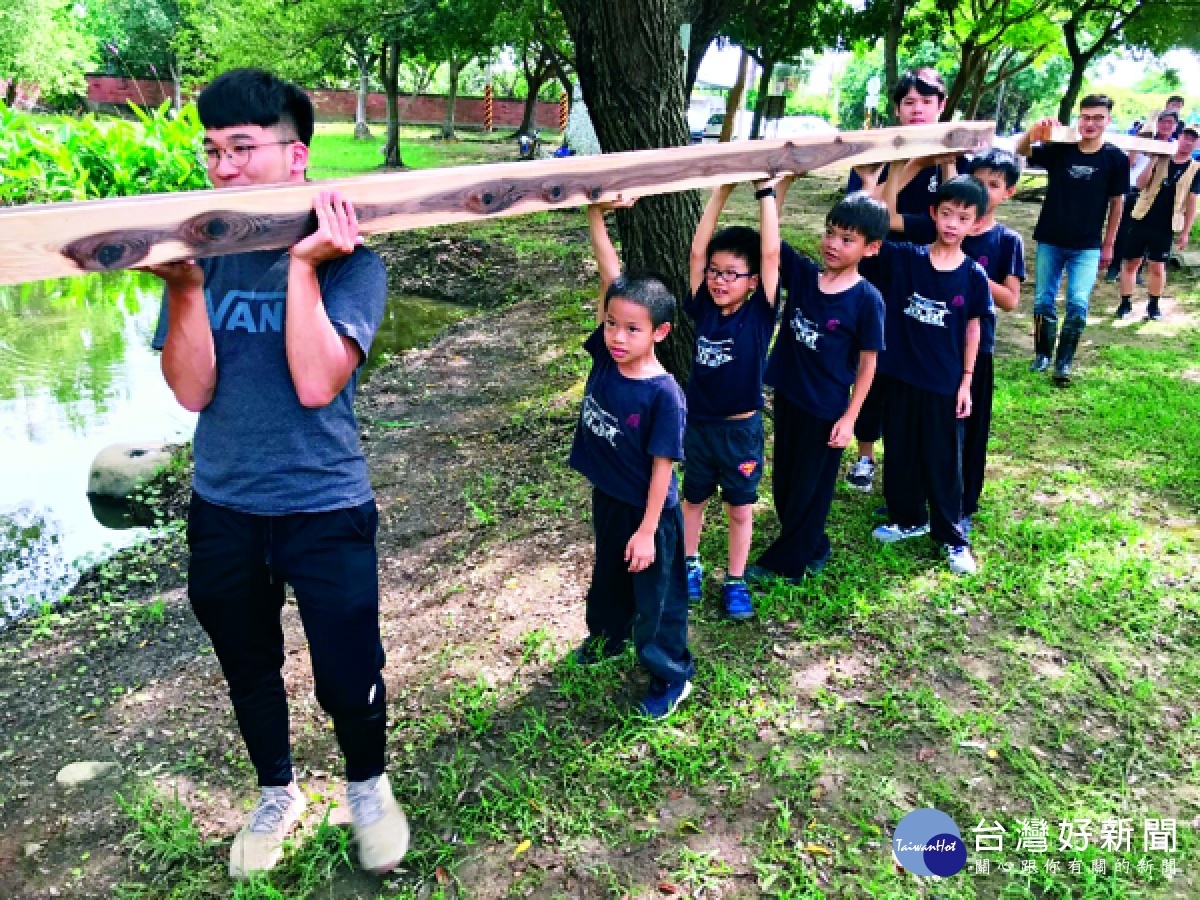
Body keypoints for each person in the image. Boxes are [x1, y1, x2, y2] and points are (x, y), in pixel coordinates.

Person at [147, 69, 407, 878]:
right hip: (224, 503)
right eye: (213, 151)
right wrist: (187, 288)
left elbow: (314, 383)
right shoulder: (201, 252)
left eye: (242, 149)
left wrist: (301, 268)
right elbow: (193, 390)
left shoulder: (352, 261)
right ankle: (277, 791)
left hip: (324, 502)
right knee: (248, 663)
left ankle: (368, 788)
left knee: (347, 666)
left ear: (296, 158)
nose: (222, 169)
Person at [574, 200, 695, 720]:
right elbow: (611, 276)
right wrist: (596, 215)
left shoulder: (664, 395)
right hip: (611, 498)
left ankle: (671, 672)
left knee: (657, 597)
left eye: (632, 329)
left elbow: (664, 470)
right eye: (611, 325)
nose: (618, 337)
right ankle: (607, 636)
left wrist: (647, 532)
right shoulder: (606, 352)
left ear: (660, 333)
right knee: (608, 576)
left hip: (651, 514)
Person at [747, 190, 887, 585]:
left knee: (812, 489)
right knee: (786, 485)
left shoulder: (867, 300)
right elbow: (770, 249)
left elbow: (868, 362)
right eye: (830, 233)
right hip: (789, 396)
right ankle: (814, 546)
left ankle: (787, 563)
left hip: (826, 410)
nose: (833, 244)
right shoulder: (807, 278)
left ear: (870, 248)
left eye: (847, 239)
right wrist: (772, 190)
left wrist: (850, 418)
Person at [885, 150, 1026, 533]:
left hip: (967, 356)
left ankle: (957, 509)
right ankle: (908, 509)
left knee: (958, 436)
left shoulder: (1001, 244)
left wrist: (970, 274)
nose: (954, 222)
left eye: (991, 185)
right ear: (935, 212)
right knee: (909, 434)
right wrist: (906, 163)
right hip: (917, 359)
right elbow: (885, 219)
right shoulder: (919, 246)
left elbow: (1007, 303)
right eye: (977, 180)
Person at [866, 176, 992, 576]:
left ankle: (953, 538)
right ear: (934, 214)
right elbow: (877, 223)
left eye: (964, 217)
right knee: (901, 451)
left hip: (944, 383)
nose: (953, 223)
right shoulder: (906, 258)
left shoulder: (973, 275)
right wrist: (885, 175)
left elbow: (974, 327)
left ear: (976, 224)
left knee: (944, 460)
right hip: (902, 376)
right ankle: (907, 519)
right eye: (948, 213)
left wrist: (967, 380)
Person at [842, 67, 960, 494]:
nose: (917, 109)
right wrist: (908, 164)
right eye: (909, 102)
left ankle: (906, 459)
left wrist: (942, 162)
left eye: (926, 101)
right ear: (897, 108)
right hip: (876, 269)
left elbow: (957, 207)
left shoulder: (952, 153)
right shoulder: (877, 150)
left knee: (913, 367)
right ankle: (865, 456)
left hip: (926, 277)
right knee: (872, 359)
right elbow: (869, 213)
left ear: (941, 107)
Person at [680, 180, 781, 620]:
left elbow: (772, 254)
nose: (720, 280)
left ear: (753, 282)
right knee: (693, 500)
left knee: (740, 509)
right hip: (697, 426)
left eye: (732, 274)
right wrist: (720, 192)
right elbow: (697, 253)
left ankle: (736, 579)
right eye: (715, 272)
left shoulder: (760, 314)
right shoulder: (703, 305)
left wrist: (766, 196)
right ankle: (689, 565)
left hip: (740, 430)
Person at [1017, 95, 1129, 385]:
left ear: (1108, 120)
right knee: (1043, 299)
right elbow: (1022, 151)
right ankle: (1042, 355)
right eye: (1086, 116)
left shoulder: (1115, 158)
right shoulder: (1060, 150)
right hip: (1050, 239)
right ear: (1079, 118)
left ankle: (1063, 362)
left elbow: (1117, 204)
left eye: (1098, 117)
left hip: (1088, 245)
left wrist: (1109, 243)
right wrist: (1033, 131)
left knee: (1078, 303)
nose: (1090, 123)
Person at [1117, 125, 1200, 321]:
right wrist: (1153, 159)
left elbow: (1192, 201)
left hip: (1166, 224)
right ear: (1179, 137)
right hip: (1142, 217)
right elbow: (1139, 184)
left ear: (1197, 143)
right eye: (1185, 137)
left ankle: (1153, 305)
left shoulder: (1196, 169)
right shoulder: (1161, 158)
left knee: (1157, 266)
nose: (1188, 142)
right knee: (1131, 262)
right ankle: (1125, 302)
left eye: (1193, 139)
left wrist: (1185, 231)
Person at [1106, 110, 1177, 283]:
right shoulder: (1144, 140)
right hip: (1133, 190)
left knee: (1144, 232)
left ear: (1175, 126)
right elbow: (1128, 164)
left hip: (1154, 194)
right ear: (1158, 123)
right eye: (1163, 122)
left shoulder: (1174, 146)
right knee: (1122, 229)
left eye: (1170, 122)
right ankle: (1114, 266)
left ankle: (1135, 271)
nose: (1166, 126)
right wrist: (1138, 144)